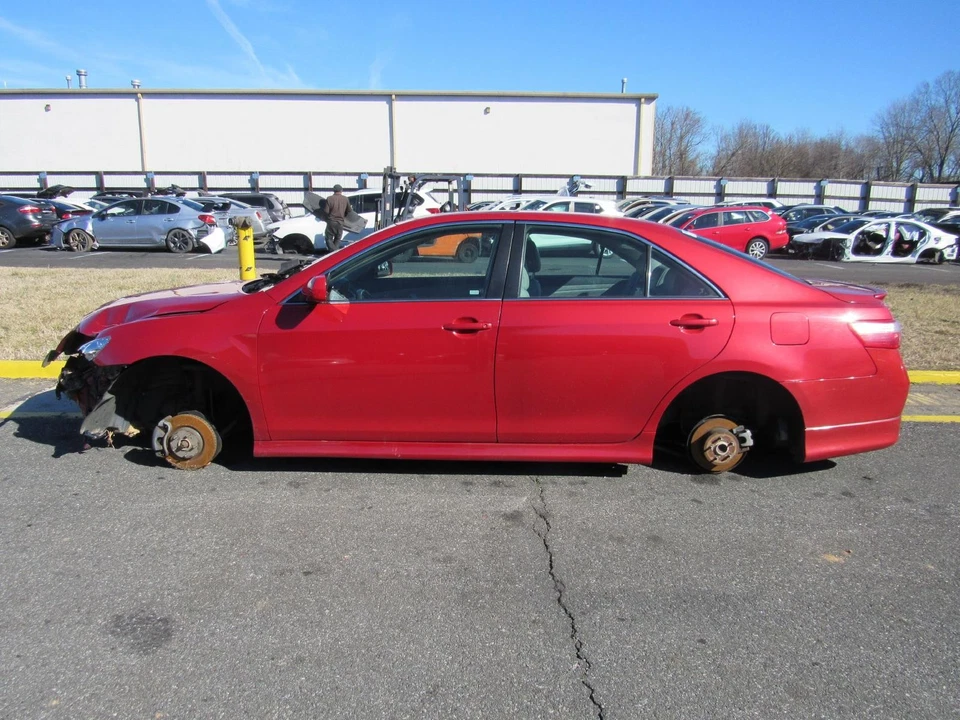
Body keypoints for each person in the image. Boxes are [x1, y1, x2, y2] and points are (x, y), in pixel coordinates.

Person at [324, 184, 353, 251]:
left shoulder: (329, 198)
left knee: (328, 238)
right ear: (341, 190)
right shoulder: (345, 199)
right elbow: (349, 210)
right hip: (340, 222)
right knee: (338, 238)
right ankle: (335, 252)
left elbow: (326, 211)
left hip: (331, 221)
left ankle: (333, 251)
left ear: (333, 190)